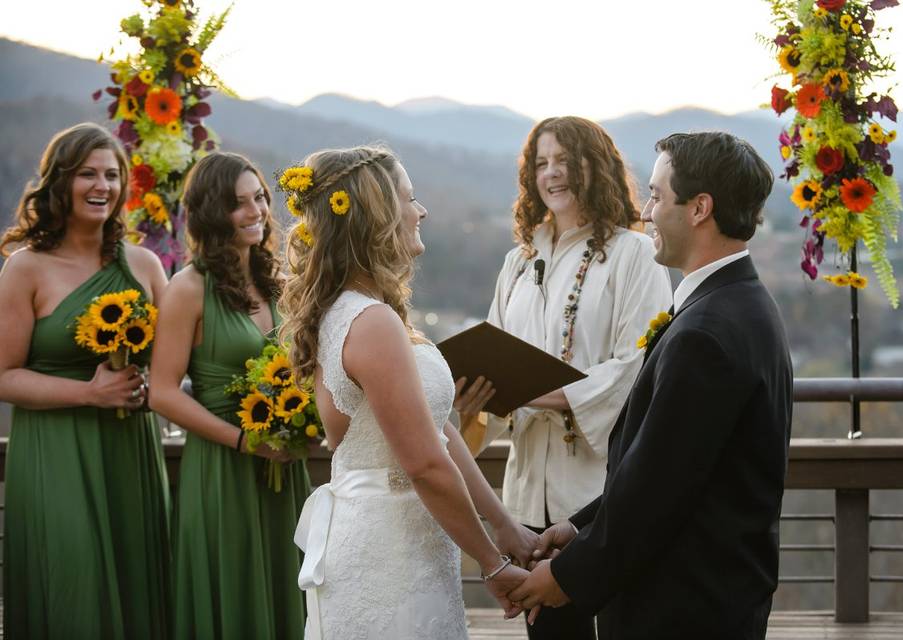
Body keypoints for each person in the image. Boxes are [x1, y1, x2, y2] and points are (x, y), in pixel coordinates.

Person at [509, 131, 794, 640]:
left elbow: (658, 494)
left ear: (700, 208)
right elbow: (664, 466)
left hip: (684, 610)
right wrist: (578, 526)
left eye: (658, 196)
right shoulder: (742, 304)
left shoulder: (706, 333)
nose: (645, 211)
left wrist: (566, 577)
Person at [278, 146, 536, 639]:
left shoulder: (369, 310)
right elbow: (423, 463)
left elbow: (438, 430)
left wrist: (503, 526)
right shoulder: (370, 322)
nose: (422, 211)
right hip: (386, 552)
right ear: (377, 215)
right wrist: (492, 564)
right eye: (410, 198)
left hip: (411, 545)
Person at [457, 116, 671, 639]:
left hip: (602, 495)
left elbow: (640, 366)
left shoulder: (633, 253)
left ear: (593, 167)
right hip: (528, 493)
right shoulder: (517, 263)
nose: (551, 175)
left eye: (563, 162)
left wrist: (544, 393)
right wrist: (469, 402)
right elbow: (494, 362)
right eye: (540, 164)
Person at [0, 122, 171, 638]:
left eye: (113, 175)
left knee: (136, 582)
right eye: (88, 174)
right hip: (54, 451)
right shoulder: (25, 269)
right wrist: (89, 392)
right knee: (72, 587)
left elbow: (176, 362)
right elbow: (3, 376)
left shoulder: (144, 264)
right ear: (59, 182)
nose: (103, 186)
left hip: (131, 449)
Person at [148, 151, 311, 638]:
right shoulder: (188, 288)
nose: (256, 211)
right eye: (238, 203)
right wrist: (243, 442)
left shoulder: (279, 283)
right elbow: (161, 392)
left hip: (285, 467)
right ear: (212, 213)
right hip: (222, 471)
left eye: (260, 197)